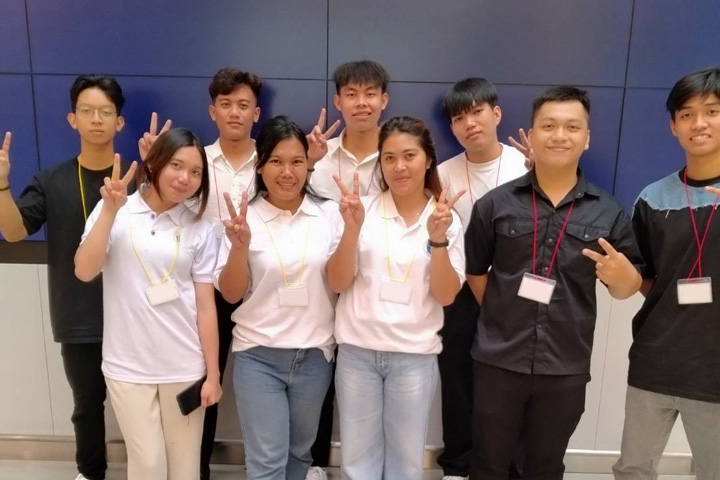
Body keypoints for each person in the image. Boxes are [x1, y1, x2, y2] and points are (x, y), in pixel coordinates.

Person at [464, 86, 643, 480]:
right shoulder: (494, 204)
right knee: (488, 463)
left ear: (587, 138)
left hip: (565, 364)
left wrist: (624, 279)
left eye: (572, 127)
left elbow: (626, 287)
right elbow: (475, 271)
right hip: (498, 360)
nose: (560, 135)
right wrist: (500, 314)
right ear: (532, 134)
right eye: (549, 126)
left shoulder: (609, 212)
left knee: (545, 467)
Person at [0, 74, 130, 480]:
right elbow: (15, 232)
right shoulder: (51, 180)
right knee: (87, 404)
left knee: (143, 404)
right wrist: (1, 185)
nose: (96, 119)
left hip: (135, 316)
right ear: (72, 119)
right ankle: (90, 473)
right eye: (87, 111)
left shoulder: (138, 180)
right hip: (78, 315)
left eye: (105, 112)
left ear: (119, 122)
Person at [74, 128, 222, 480]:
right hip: (128, 367)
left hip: (184, 366)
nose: (185, 178)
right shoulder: (116, 209)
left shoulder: (200, 227)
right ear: (154, 163)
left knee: (185, 468)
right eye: (176, 165)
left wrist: (213, 374)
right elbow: (84, 270)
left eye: (196, 172)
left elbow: (205, 307)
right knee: (148, 465)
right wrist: (110, 212)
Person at [328, 116, 466, 480]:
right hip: (357, 352)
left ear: (428, 159)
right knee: (357, 460)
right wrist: (351, 230)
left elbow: (446, 296)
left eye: (409, 156)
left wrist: (438, 240)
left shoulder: (444, 218)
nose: (399, 166)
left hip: (413, 357)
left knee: (406, 462)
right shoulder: (361, 210)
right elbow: (337, 282)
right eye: (389, 158)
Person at [215, 116, 341, 480]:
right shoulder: (244, 218)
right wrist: (239, 248)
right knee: (267, 462)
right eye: (276, 161)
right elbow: (231, 293)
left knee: (299, 456)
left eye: (297, 161)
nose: (287, 172)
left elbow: (339, 282)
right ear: (259, 165)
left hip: (314, 355)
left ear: (308, 164)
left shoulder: (328, 213)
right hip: (259, 354)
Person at [613, 67, 720, 480]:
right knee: (633, 469)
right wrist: (622, 278)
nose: (699, 123)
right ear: (674, 126)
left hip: (714, 370)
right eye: (687, 114)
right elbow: (647, 277)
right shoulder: (652, 198)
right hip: (655, 361)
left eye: (712, 111)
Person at [435, 77, 528, 480]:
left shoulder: (525, 165)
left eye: (477, 112)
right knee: (457, 379)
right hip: (460, 291)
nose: (469, 123)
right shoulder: (442, 173)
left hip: (515, 289)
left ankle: (508, 466)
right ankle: (458, 465)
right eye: (459, 118)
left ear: (497, 113)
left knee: (512, 384)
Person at [304, 59, 390, 480]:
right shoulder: (320, 160)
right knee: (320, 375)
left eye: (370, 94)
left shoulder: (397, 155)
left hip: (381, 286)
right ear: (338, 102)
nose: (362, 103)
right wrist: (306, 163)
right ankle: (316, 463)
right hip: (324, 283)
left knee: (374, 384)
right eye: (352, 95)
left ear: (384, 100)